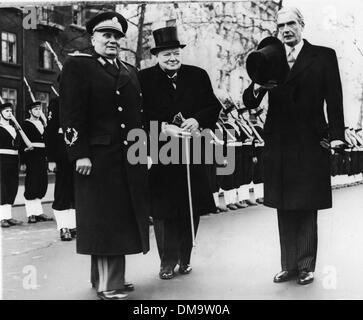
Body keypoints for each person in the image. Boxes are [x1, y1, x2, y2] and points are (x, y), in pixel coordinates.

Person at [243, 7, 345, 285]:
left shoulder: (323, 56)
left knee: (306, 203)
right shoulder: (269, 58)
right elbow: (250, 101)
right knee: (283, 204)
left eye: (291, 24)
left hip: (311, 140)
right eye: (281, 26)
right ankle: (288, 265)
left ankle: (306, 265)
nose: (286, 29)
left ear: (302, 25)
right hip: (279, 142)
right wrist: (258, 86)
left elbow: (334, 98)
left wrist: (337, 135)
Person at [59, 11, 150, 300]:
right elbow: (70, 114)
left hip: (126, 158)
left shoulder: (129, 70)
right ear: (93, 38)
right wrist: (79, 154)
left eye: (117, 36)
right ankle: (110, 284)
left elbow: (138, 116)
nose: (112, 40)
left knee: (118, 219)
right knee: (105, 220)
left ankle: (106, 278)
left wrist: (143, 150)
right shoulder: (78, 66)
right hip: (97, 158)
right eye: (105, 35)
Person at [138, 26, 221, 280]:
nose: (172, 59)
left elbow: (212, 106)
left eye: (175, 53)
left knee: (190, 205)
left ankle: (185, 258)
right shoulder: (143, 79)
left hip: (193, 151)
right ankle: (167, 261)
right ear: (157, 56)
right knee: (164, 210)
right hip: (162, 152)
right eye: (166, 55)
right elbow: (138, 113)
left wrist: (197, 120)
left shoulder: (197, 76)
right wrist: (163, 128)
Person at [44, 97, 76, 241]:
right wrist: (51, 158)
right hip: (61, 153)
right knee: (62, 191)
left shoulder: (81, 99)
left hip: (78, 153)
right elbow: (50, 131)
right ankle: (63, 226)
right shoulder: (57, 102)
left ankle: (73, 225)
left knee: (76, 191)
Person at [20, 101, 52, 223]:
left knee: (41, 183)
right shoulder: (25, 124)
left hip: (42, 156)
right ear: (30, 111)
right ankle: (31, 214)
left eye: (39, 109)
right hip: (31, 156)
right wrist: (22, 161)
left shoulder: (43, 124)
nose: (38, 111)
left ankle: (38, 213)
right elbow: (21, 142)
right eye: (35, 109)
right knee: (31, 184)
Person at [0, 102, 23, 228]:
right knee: (2, 187)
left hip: (14, 159)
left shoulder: (15, 128)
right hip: (2, 159)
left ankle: (8, 217)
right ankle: (2, 218)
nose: (9, 113)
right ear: (1, 113)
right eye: (6, 111)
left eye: (10, 111)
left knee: (12, 187)